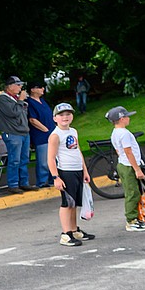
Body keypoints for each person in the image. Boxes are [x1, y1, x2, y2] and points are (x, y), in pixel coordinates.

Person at [47, 102, 93, 246]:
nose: (65, 117)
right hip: (65, 171)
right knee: (67, 203)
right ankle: (65, 234)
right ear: (55, 118)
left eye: (68, 114)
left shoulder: (73, 132)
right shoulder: (55, 135)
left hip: (77, 170)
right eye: (61, 115)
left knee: (74, 203)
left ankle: (74, 230)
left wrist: (84, 170)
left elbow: (78, 151)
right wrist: (56, 177)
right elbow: (50, 158)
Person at [106, 106, 145, 232]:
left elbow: (118, 151)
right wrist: (137, 169)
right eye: (126, 116)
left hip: (123, 164)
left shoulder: (115, 133)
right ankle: (131, 220)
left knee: (134, 191)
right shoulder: (124, 133)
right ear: (121, 119)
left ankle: (136, 218)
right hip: (129, 165)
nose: (129, 118)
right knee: (133, 193)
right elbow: (128, 151)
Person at [0, 76, 35, 193]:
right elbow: (13, 112)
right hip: (13, 133)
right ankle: (13, 184)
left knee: (24, 159)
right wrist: (21, 100)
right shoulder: (3, 99)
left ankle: (24, 183)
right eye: (18, 85)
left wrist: (20, 101)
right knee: (14, 159)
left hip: (23, 133)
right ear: (10, 86)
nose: (20, 87)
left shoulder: (15, 98)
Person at [26, 80, 54, 187]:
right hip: (41, 135)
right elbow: (33, 120)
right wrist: (45, 130)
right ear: (32, 89)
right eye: (39, 87)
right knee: (43, 160)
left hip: (51, 134)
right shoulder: (30, 102)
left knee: (53, 158)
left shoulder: (43, 101)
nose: (42, 89)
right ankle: (42, 182)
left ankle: (52, 179)